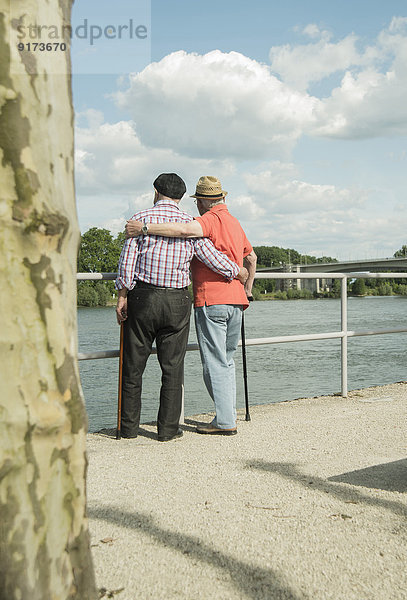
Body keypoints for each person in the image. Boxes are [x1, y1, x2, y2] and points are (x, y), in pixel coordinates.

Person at [116, 173, 247, 442]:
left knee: (133, 365)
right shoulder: (191, 223)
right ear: (181, 197)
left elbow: (127, 262)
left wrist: (122, 296)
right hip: (177, 300)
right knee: (173, 367)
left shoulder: (138, 221)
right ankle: (168, 431)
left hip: (143, 297)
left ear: (156, 191)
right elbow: (213, 258)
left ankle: (128, 430)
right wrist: (239, 272)